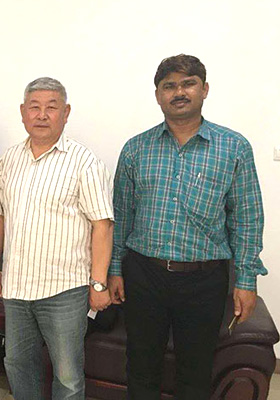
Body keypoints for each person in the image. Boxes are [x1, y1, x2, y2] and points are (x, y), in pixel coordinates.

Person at [108, 54, 267, 400]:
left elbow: (247, 218)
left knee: (195, 372)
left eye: (188, 83)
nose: (179, 92)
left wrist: (246, 280)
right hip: (144, 275)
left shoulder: (234, 147)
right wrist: (115, 269)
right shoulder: (136, 149)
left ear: (204, 89)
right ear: (158, 95)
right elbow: (121, 215)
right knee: (141, 365)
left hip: (204, 280)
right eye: (169, 86)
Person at [0, 77, 114, 400]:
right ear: (23, 112)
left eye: (51, 107)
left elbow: (102, 225)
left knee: (67, 377)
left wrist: (98, 284)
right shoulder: (9, 159)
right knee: (18, 364)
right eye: (35, 107)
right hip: (16, 287)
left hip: (64, 290)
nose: (42, 115)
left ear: (66, 113)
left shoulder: (84, 162)